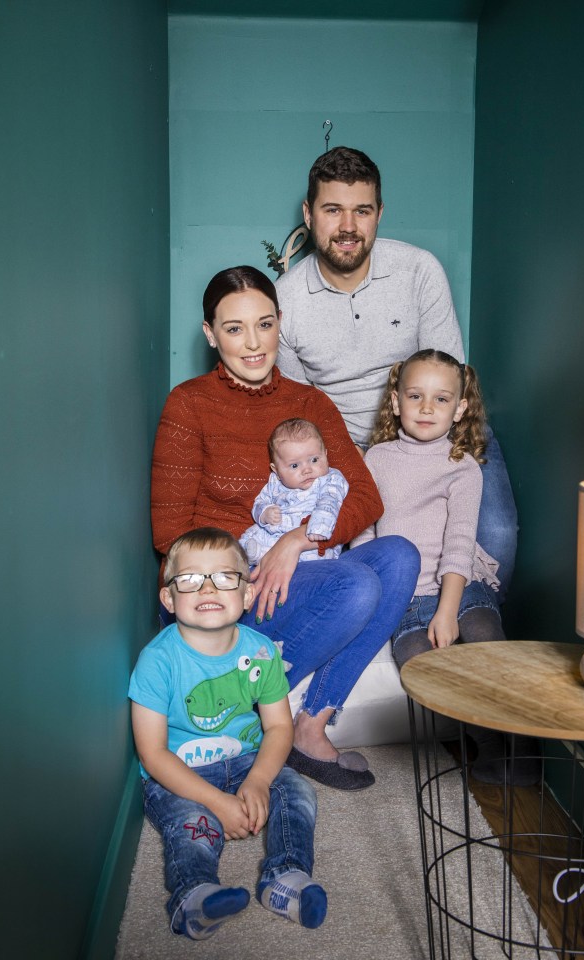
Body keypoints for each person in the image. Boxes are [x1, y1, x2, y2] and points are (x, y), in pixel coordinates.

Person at [151, 265, 421, 790]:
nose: (253, 344)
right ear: (210, 333)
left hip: (298, 567)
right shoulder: (188, 405)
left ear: (280, 324)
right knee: (357, 582)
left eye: (265, 324)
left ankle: (311, 723)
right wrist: (249, 563)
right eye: (234, 328)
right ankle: (246, 709)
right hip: (230, 587)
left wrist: (297, 541)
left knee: (400, 556)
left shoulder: (308, 404)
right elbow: (170, 533)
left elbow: (366, 496)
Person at [275, 145, 517, 597]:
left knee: (498, 536)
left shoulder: (419, 270)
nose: (348, 227)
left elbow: (449, 377)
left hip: (437, 421)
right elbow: (301, 412)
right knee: (365, 556)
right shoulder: (285, 301)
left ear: (379, 213)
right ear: (309, 215)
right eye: (333, 210)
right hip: (349, 447)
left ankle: (470, 641)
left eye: (361, 211)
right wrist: (345, 465)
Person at [129, 527, 328, 940]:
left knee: (298, 792)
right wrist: (216, 802)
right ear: (168, 597)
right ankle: (194, 896)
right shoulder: (157, 661)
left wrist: (257, 781)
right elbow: (152, 754)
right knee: (193, 822)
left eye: (224, 577)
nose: (208, 587)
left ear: (247, 595)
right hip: (178, 772)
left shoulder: (260, 652)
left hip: (243, 760)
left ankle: (285, 878)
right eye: (189, 579)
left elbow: (278, 727)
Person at [351, 351, 537, 785]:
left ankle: (524, 742)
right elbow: (363, 535)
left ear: (460, 409)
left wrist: (448, 611)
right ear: (395, 402)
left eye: (441, 399)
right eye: (415, 396)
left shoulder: (463, 466)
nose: (427, 408)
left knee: (485, 647)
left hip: (461, 587)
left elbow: (458, 544)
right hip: (406, 599)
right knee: (422, 668)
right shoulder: (375, 459)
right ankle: (488, 744)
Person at [239, 417, 349, 565]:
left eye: (314, 460)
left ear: (326, 455)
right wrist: (265, 512)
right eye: (295, 466)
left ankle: (264, 557)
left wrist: (319, 526)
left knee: (315, 555)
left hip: (310, 535)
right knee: (252, 535)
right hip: (277, 530)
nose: (307, 470)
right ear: (276, 470)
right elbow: (260, 502)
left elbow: (330, 501)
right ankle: (254, 554)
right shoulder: (275, 483)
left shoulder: (330, 479)